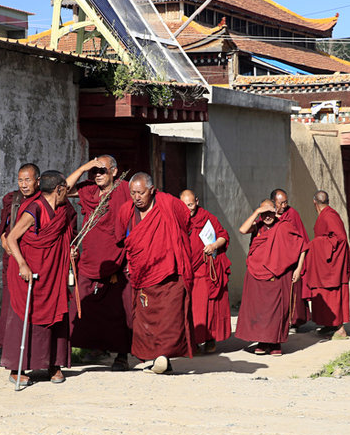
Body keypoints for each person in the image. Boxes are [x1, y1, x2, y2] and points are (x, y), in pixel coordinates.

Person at [1, 170, 77, 386]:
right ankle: (17, 369)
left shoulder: (61, 209)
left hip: (52, 273)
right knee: (24, 318)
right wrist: (23, 264)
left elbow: (64, 236)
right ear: (59, 189)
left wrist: (69, 251)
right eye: (65, 189)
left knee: (56, 315)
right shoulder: (34, 208)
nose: (67, 192)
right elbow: (12, 237)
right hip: (29, 272)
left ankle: (54, 364)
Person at [114, 172, 194, 374]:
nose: (136, 197)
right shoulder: (127, 211)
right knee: (146, 319)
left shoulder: (168, 204)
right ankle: (158, 357)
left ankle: (164, 357)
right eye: (133, 193)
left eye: (141, 193)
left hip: (169, 273)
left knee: (170, 318)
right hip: (142, 273)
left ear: (151, 190)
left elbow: (186, 221)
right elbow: (120, 238)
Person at [65, 156, 133, 371]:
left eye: (102, 170)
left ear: (114, 171)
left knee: (118, 310)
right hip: (91, 259)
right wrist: (84, 167)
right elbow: (62, 190)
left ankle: (122, 355)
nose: (97, 175)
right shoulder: (89, 191)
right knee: (83, 306)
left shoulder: (125, 189)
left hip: (118, 259)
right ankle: (93, 348)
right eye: (94, 171)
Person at [235, 199, 306, 356]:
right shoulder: (258, 226)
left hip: (279, 275)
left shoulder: (284, 226)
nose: (267, 217)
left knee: (277, 311)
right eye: (264, 213)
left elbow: (302, 246)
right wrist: (257, 212)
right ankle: (262, 342)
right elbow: (242, 229)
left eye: (270, 213)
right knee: (260, 310)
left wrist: (299, 268)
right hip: (257, 274)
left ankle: (275, 344)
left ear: (275, 212)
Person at [0, 163, 40, 363]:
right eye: (20, 180)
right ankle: (4, 347)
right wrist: (3, 238)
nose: (24, 184)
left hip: (33, 259)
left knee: (31, 305)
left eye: (28, 180)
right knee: (9, 304)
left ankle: (29, 350)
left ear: (37, 181)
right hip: (12, 259)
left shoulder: (43, 200)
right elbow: (4, 226)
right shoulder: (13, 199)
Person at [180, 189, 231, 353]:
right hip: (185, 269)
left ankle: (209, 339)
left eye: (191, 204)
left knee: (206, 307)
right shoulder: (177, 219)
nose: (189, 209)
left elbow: (223, 235)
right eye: (185, 205)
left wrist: (213, 245)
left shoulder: (207, 218)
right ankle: (192, 342)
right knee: (188, 308)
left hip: (204, 270)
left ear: (197, 201)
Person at [307, 191, 350, 338]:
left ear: (314, 202)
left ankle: (340, 329)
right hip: (324, 261)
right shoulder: (325, 214)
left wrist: (316, 244)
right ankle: (329, 325)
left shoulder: (330, 215)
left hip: (331, 263)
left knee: (332, 294)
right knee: (322, 293)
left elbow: (341, 238)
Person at [270, 189, 311, 330]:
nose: (284, 206)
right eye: (280, 203)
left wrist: (299, 268)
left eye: (286, 202)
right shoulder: (268, 216)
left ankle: (293, 322)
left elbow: (302, 242)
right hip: (273, 263)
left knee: (293, 293)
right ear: (273, 202)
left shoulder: (292, 214)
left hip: (291, 263)